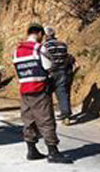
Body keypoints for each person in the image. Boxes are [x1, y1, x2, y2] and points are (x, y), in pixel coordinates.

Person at [12, 23, 72, 163]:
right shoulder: (39, 48)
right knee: (46, 120)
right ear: (39, 34)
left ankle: (31, 150)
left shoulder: (17, 50)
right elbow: (48, 66)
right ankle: (53, 152)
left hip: (24, 90)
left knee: (29, 120)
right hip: (39, 89)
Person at [44, 26, 77, 125]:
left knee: (46, 94)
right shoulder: (63, 44)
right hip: (63, 71)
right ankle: (66, 116)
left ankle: (48, 115)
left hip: (50, 71)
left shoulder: (45, 46)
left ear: (46, 35)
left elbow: (45, 59)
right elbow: (66, 56)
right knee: (62, 93)